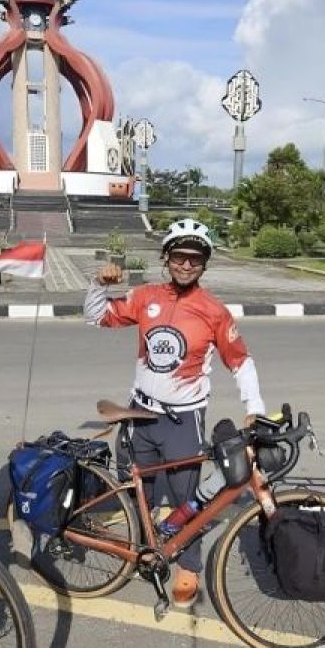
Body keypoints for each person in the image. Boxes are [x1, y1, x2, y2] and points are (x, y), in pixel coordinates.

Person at [84, 218, 266, 607]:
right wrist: (100, 284)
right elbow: (96, 316)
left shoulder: (213, 311)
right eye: (179, 257)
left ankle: (188, 569)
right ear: (165, 258)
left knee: (190, 500)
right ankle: (143, 551)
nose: (186, 265)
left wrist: (255, 408)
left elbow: (241, 361)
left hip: (183, 419)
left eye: (195, 259)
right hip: (139, 415)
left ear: (204, 264)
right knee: (138, 496)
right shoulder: (145, 296)